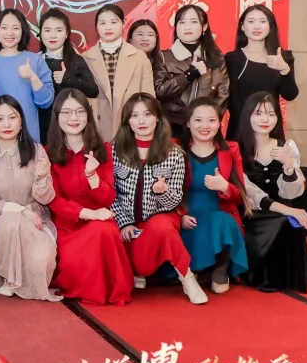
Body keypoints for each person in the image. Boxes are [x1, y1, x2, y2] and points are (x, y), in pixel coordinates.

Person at [110, 93, 208, 304]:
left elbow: (175, 201)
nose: (142, 121)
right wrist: (123, 222)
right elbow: (109, 193)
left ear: (157, 118)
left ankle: (187, 277)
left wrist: (162, 191)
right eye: (135, 115)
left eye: (147, 114)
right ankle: (136, 272)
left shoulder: (174, 154)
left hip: (159, 221)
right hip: (125, 225)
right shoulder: (114, 150)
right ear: (127, 121)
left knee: (162, 227)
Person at [45, 89, 133, 306]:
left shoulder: (103, 150)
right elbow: (53, 200)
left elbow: (108, 198)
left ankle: (110, 290)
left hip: (99, 218)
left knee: (104, 230)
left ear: (88, 115)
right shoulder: (47, 153)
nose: (73, 118)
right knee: (72, 260)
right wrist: (88, 214)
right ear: (57, 117)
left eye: (79, 112)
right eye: (66, 112)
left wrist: (93, 177)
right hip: (67, 225)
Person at [0, 95, 59, 301]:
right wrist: (19, 210)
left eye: (12, 118)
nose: (6, 124)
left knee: (41, 260)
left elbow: (46, 198)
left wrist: (41, 178)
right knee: (9, 221)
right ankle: (6, 277)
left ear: (21, 121)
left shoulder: (36, 150)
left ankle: (13, 279)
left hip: (35, 220)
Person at [237, 91, 307, 292]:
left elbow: (292, 193)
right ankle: (262, 277)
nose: (265, 119)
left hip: (283, 207)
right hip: (253, 212)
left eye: (271, 114)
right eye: (259, 113)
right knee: (284, 219)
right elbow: (249, 191)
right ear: (247, 115)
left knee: (289, 222)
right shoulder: (237, 149)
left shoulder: (286, 146)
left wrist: (288, 166)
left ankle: (289, 278)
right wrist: (287, 210)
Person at [181, 97, 250, 294]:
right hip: (186, 217)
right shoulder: (176, 149)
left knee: (223, 221)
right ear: (188, 123)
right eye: (198, 120)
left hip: (219, 215)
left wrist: (225, 187)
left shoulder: (231, 150)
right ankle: (198, 271)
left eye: (211, 120)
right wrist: (179, 215)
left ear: (220, 123)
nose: (205, 126)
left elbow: (241, 196)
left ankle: (220, 269)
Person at [0, 9, 55, 143]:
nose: (10, 33)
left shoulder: (35, 61)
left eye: (15, 28)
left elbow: (46, 102)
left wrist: (33, 77)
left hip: (28, 139)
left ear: (23, 31)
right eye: (4, 28)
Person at [224, 4, 298, 142]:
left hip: (271, 130)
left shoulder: (283, 57)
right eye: (251, 21)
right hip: (240, 132)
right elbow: (229, 101)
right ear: (242, 26)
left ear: (270, 26)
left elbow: (290, 94)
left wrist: (284, 69)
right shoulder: (233, 59)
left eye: (262, 21)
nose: (257, 26)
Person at [82, 4, 154, 143]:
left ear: (123, 23)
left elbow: (149, 98)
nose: (108, 27)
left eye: (113, 22)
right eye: (102, 23)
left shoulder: (139, 57)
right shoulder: (85, 58)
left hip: (130, 127)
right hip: (96, 130)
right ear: (96, 26)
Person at [156, 5, 229, 139]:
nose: (187, 27)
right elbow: (160, 91)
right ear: (176, 27)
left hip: (206, 128)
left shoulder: (216, 58)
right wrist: (189, 74)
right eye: (182, 22)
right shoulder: (164, 57)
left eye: (193, 22)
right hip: (172, 126)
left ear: (204, 27)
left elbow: (223, 94)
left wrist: (207, 120)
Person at [37, 10, 99, 141]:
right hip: (40, 126)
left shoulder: (75, 60)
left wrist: (68, 78)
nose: (52, 35)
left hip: (70, 127)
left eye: (59, 30)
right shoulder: (35, 60)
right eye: (47, 30)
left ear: (66, 34)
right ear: (40, 33)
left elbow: (93, 90)